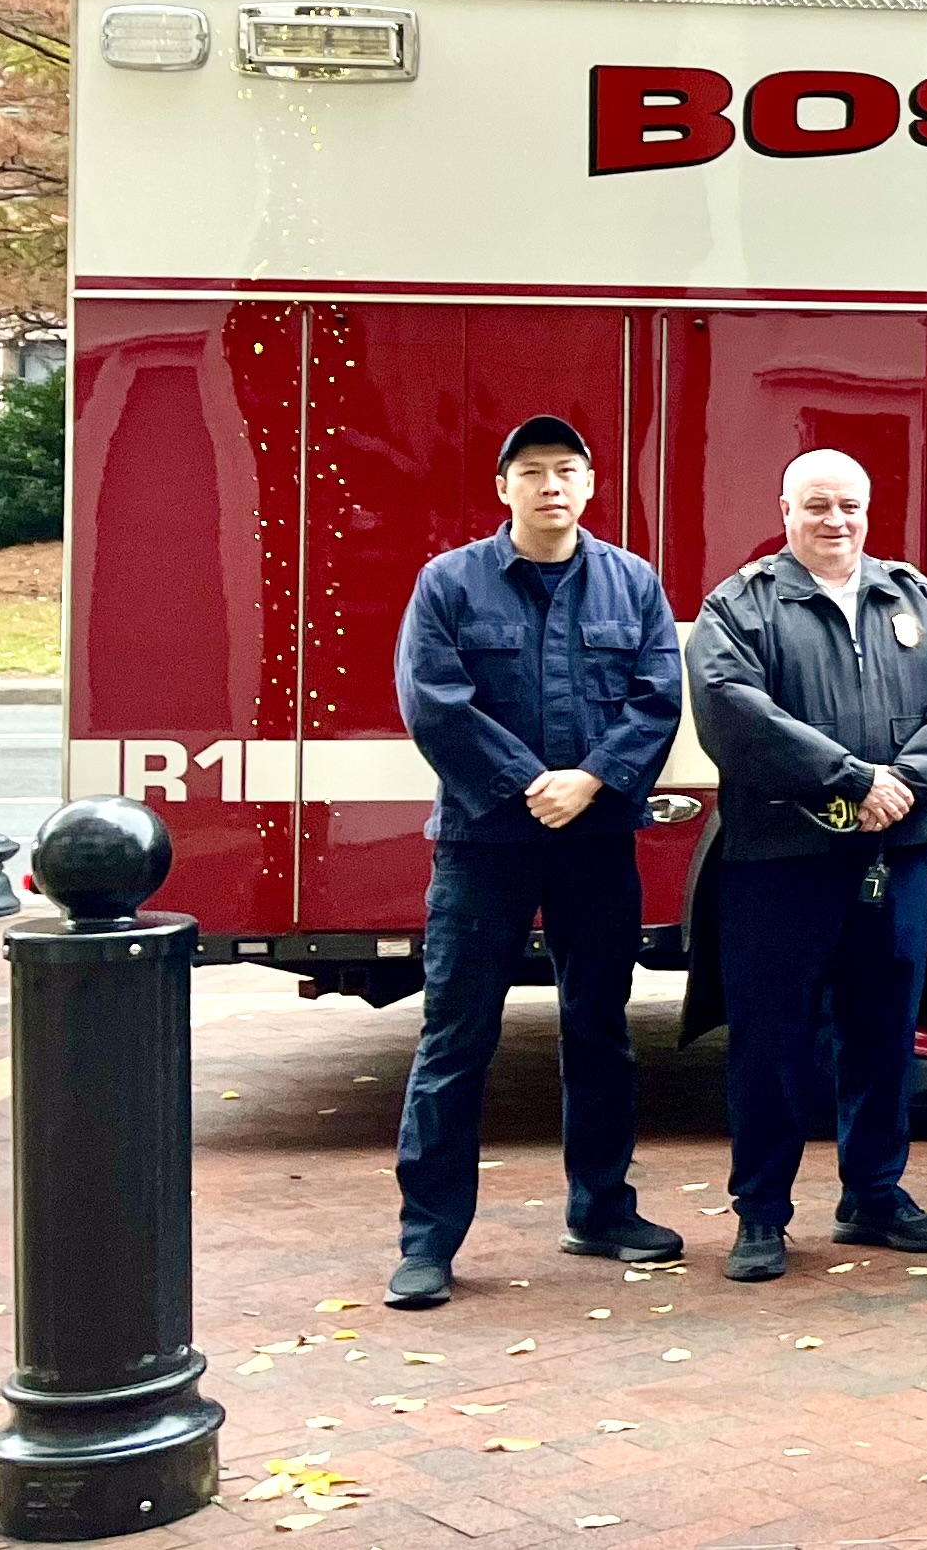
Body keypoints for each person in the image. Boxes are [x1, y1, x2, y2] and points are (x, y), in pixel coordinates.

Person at [382, 415, 686, 1310]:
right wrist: (530, 786)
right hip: (486, 848)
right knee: (455, 1038)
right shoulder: (449, 583)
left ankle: (601, 1210)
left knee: (601, 1032)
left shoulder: (631, 583)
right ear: (503, 489)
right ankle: (428, 1242)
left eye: (566, 471)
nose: (551, 485)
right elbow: (433, 703)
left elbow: (658, 698)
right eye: (532, 472)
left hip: (596, 843)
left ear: (590, 487)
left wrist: (591, 780)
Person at [684, 449, 927, 1283]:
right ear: (785, 510)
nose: (835, 522)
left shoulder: (917, 598)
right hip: (782, 859)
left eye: (849, 506)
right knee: (772, 1041)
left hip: (895, 852)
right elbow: (733, 712)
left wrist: (906, 785)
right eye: (817, 506)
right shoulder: (740, 606)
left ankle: (875, 1196)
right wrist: (854, 780)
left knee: (884, 1032)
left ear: (869, 510)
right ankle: (761, 1215)